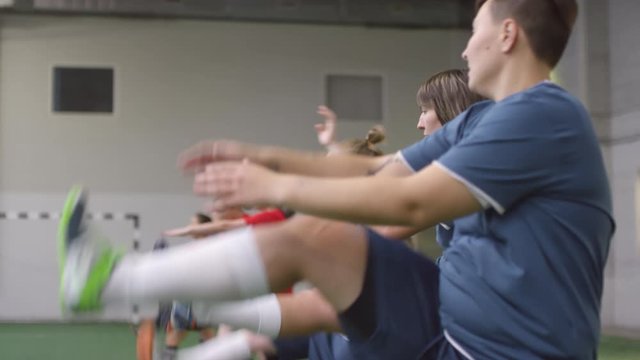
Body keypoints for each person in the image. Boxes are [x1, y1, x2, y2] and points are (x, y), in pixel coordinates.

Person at [59, 4, 611, 357]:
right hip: (448, 328)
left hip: (506, 352)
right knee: (318, 238)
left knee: (322, 253)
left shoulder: (545, 116)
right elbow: (378, 167)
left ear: (507, 35)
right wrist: (265, 157)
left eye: (474, 31)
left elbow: (409, 203)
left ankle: (164, 299)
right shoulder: (480, 120)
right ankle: (111, 280)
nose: (465, 46)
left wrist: (277, 188)